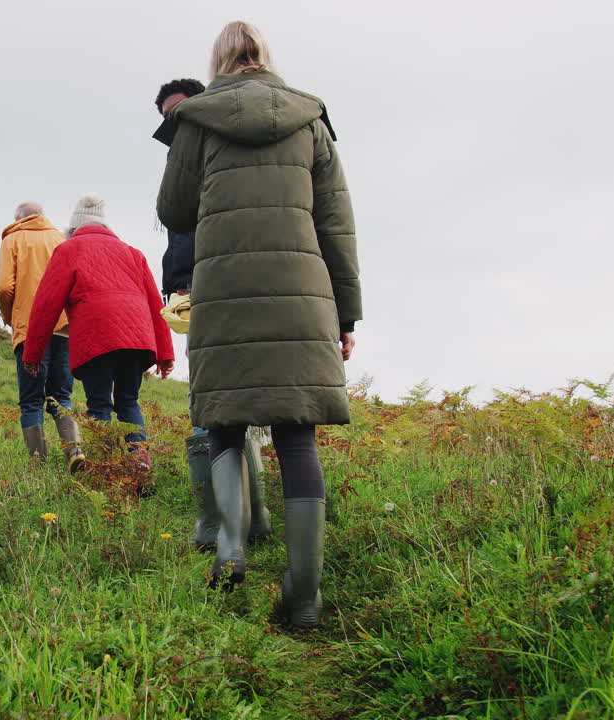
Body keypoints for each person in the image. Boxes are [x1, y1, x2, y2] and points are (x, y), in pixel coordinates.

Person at [157, 21, 362, 627]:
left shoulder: (197, 119)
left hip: (222, 292)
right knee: (297, 437)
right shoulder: (309, 118)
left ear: (218, 60)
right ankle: (303, 596)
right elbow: (337, 225)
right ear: (267, 58)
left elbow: (172, 208)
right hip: (301, 295)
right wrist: (346, 312)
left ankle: (229, 546)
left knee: (224, 420)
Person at [154, 78, 275, 551]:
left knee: (212, 399)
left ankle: (219, 525)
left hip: (221, 283)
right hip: (206, 286)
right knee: (225, 398)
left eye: (180, 108)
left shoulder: (211, 152)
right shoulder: (194, 151)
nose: (174, 118)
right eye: (167, 114)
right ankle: (253, 516)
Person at [22, 193, 175, 469]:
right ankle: (140, 463)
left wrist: (33, 354)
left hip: (96, 337)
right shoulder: (132, 253)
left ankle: (106, 470)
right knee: (129, 401)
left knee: (100, 406)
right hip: (135, 338)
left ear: (73, 229)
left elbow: (46, 305)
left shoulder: (68, 250)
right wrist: (165, 353)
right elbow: (155, 304)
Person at [0, 202, 85, 471]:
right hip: (64, 329)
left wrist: (10, 317)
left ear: (18, 218)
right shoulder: (61, 239)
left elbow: (3, 287)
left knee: (31, 399)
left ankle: (39, 466)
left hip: (30, 329)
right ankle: (74, 452)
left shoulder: (13, 238)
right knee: (61, 397)